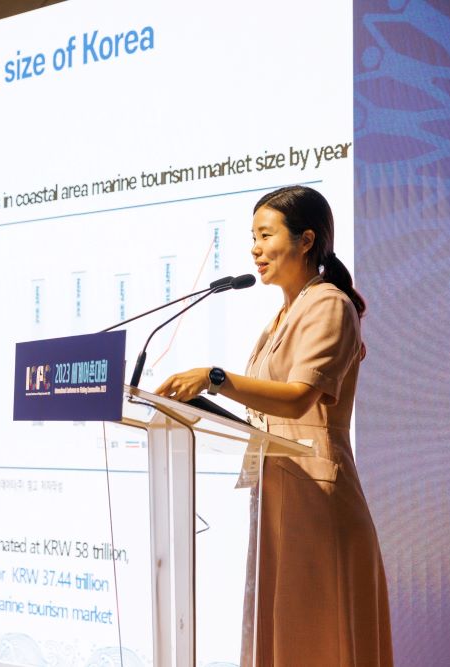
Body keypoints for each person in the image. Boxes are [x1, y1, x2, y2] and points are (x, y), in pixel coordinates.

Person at [154, 185, 392, 665]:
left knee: (316, 640)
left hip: (316, 495)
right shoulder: (283, 315)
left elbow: (301, 397)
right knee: (282, 636)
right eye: (252, 237)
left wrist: (216, 378)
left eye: (266, 235)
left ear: (307, 240)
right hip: (280, 488)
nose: (255, 249)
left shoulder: (329, 304)